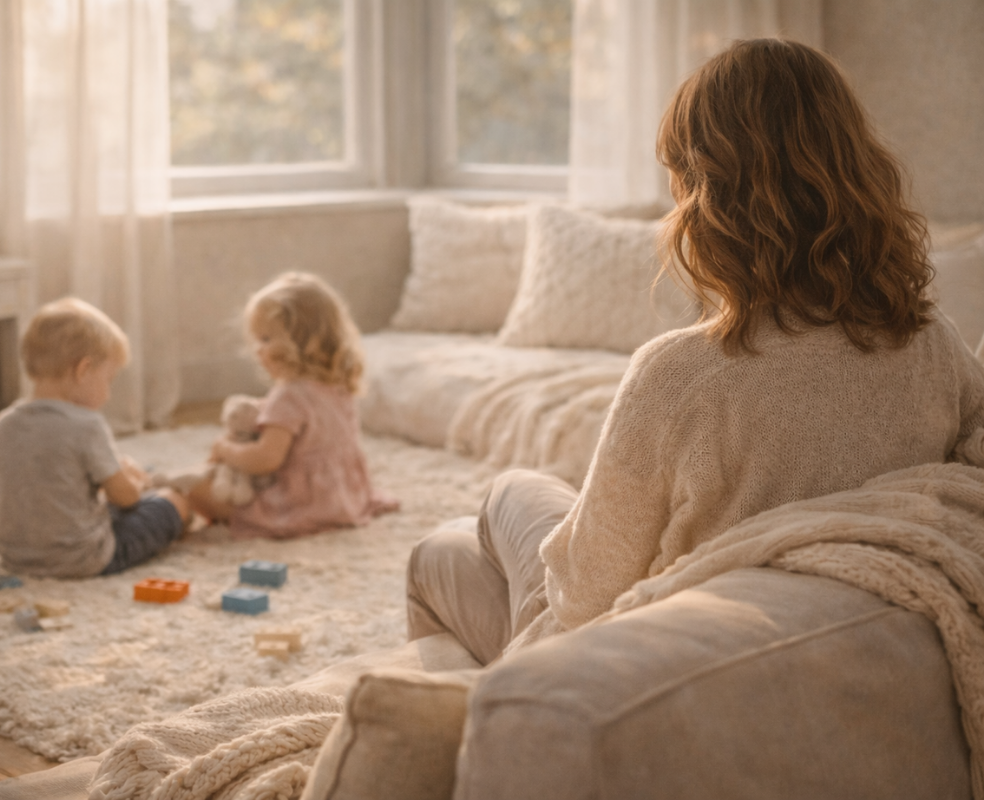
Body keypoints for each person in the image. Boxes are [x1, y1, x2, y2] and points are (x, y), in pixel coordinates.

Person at [406, 38, 984, 666]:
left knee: (472, 526)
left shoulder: (678, 376)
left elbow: (582, 600)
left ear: (706, 197)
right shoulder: (937, 348)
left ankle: (458, 728)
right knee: (467, 536)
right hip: (829, 641)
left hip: (641, 653)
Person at [187, 271, 398, 539]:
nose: (257, 350)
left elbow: (265, 459)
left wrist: (226, 449)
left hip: (302, 504)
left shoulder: (288, 395)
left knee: (196, 490)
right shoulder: (338, 384)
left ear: (300, 342)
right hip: (345, 496)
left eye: (265, 339)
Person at [0, 297, 190, 578]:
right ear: (83, 370)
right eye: (108, 380)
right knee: (173, 501)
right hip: (83, 558)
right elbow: (126, 499)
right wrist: (133, 479)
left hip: (15, 556)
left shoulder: (4, 423)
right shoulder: (87, 425)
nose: (108, 394)